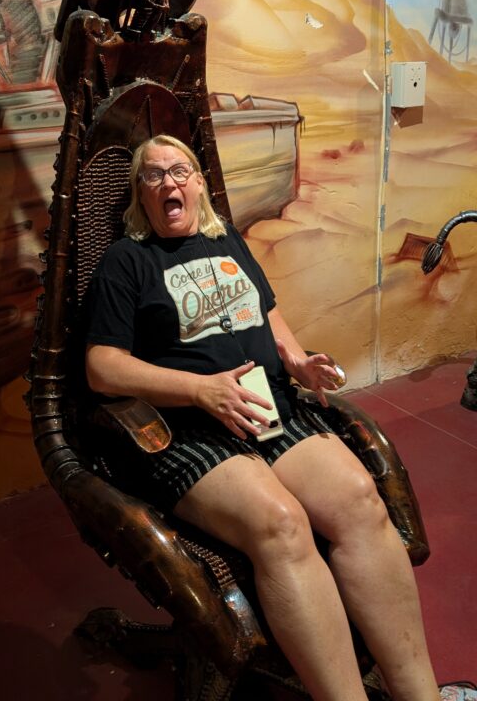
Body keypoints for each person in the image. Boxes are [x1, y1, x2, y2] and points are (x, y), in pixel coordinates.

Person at [86, 134, 443, 701]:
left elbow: (265, 311)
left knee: (358, 499)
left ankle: (419, 694)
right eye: (152, 175)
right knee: (281, 523)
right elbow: (102, 367)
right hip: (189, 429)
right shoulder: (126, 261)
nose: (167, 182)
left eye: (179, 171)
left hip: (268, 407)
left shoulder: (224, 238)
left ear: (198, 184)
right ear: (140, 194)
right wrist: (200, 390)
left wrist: (297, 361)